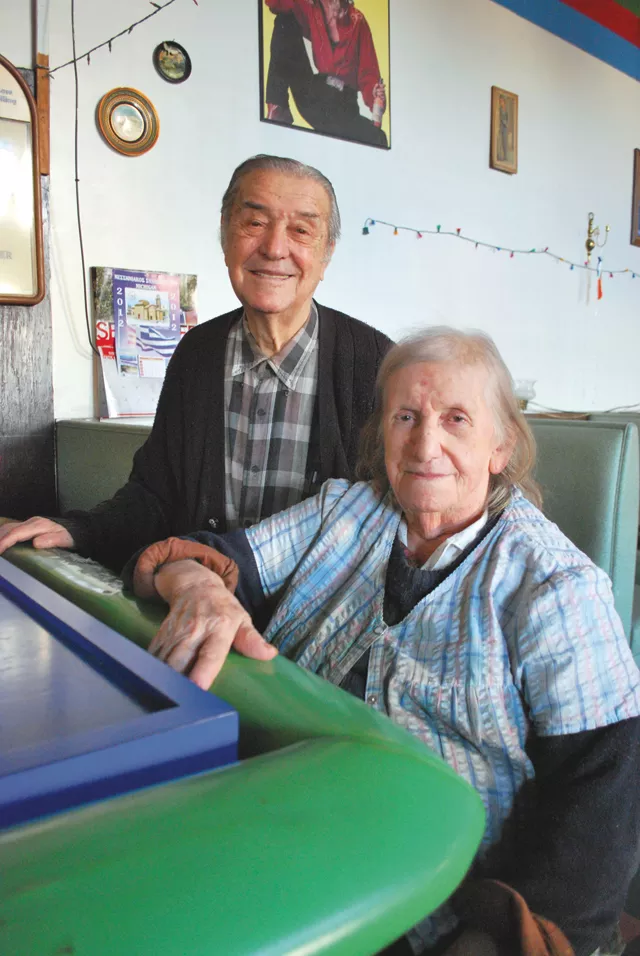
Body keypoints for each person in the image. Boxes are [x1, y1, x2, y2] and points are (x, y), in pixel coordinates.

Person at [126, 327, 640, 956]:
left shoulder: (556, 585)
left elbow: (605, 797)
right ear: (383, 434)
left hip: (437, 909)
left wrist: (502, 936)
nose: (427, 444)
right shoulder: (343, 511)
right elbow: (213, 563)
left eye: (456, 419)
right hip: (276, 832)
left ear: (500, 445)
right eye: (406, 416)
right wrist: (196, 584)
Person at [0, 155, 392, 572]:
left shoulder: (376, 365)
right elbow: (155, 496)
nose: (275, 248)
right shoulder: (197, 354)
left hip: (317, 629)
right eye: (254, 223)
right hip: (196, 603)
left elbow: (400, 525)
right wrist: (80, 530)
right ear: (226, 234)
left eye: (301, 230)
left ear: (326, 252)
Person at [264, 0, 388, 147]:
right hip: (314, 95)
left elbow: (369, 74)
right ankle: (278, 106)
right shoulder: (312, 8)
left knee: (378, 138)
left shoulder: (357, 22)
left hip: (343, 107)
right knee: (284, 21)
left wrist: (374, 95)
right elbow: (274, 3)